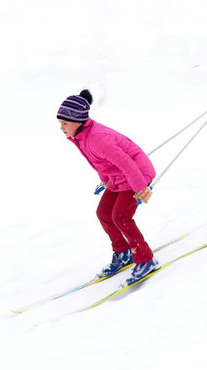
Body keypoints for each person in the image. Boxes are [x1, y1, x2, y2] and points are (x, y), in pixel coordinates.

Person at [57, 89, 160, 286]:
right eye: (60, 123)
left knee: (120, 216)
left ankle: (146, 259)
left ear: (78, 121)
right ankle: (123, 253)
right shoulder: (80, 136)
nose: (61, 128)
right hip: (119, 177)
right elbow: (100, 162)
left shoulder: (97, 138)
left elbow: (127, 163)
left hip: (136, 174)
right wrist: (105, 179)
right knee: (104, 213)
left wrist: (141, 188)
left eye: (65, 123)